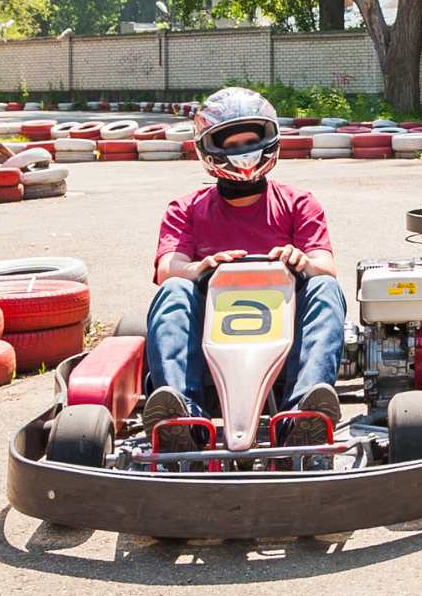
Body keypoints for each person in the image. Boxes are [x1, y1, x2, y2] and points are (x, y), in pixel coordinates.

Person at [143, 87, 346, 452]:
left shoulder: (298, 203)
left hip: (285, 332)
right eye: (232, 145)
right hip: (212, 337)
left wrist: (301, 262)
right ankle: (182, 420)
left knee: (325, 287)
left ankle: (303, 417)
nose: (243, 153)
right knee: (174, 289)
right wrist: (200, 267)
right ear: (210, 150)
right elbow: (166, 269)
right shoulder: (186, 208)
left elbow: (326, 266)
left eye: (250, 142)